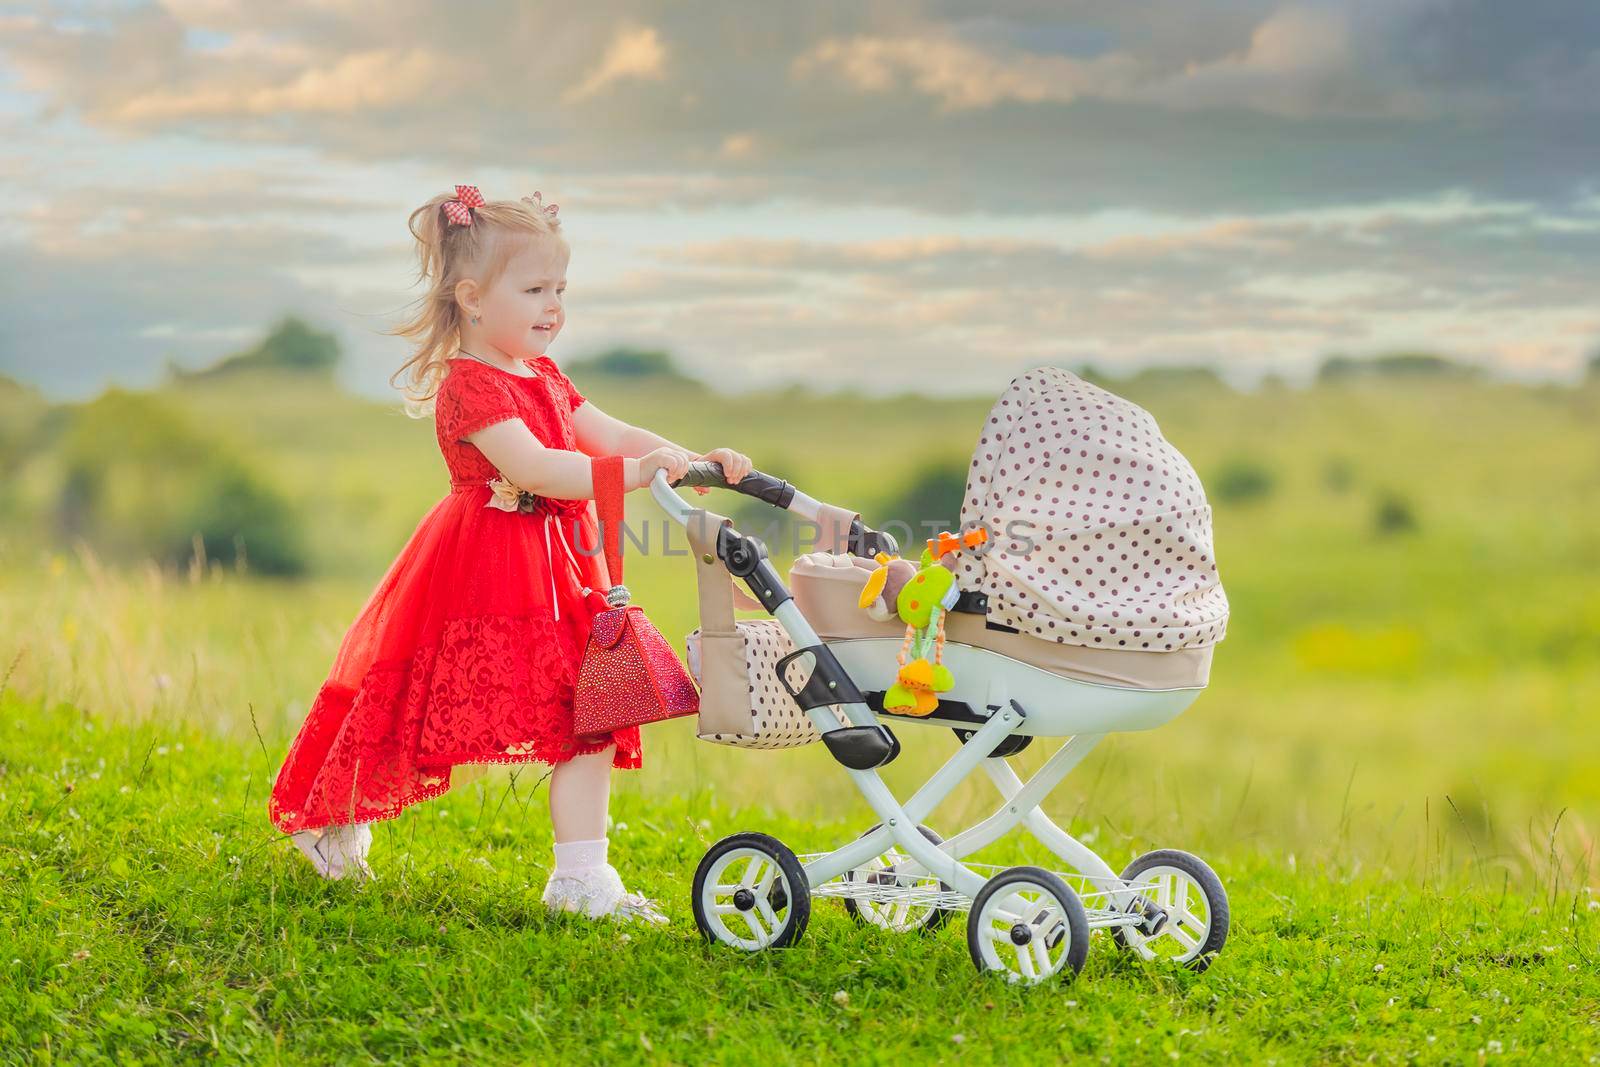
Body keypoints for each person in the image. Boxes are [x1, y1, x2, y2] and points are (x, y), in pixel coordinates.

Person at [266, 185, 751, 926]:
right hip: (480, 569)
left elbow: (608, 433)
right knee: (408, 703)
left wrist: (682, 458)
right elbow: (537, 470)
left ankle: (582, 877)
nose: (553, 305)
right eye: (533, 288)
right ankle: (330, 819)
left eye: (560, 288)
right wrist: (634, 474)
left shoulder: (548, 376)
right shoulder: (470, 387)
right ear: (472, 298)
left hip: (559, 569)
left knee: (591, 710)